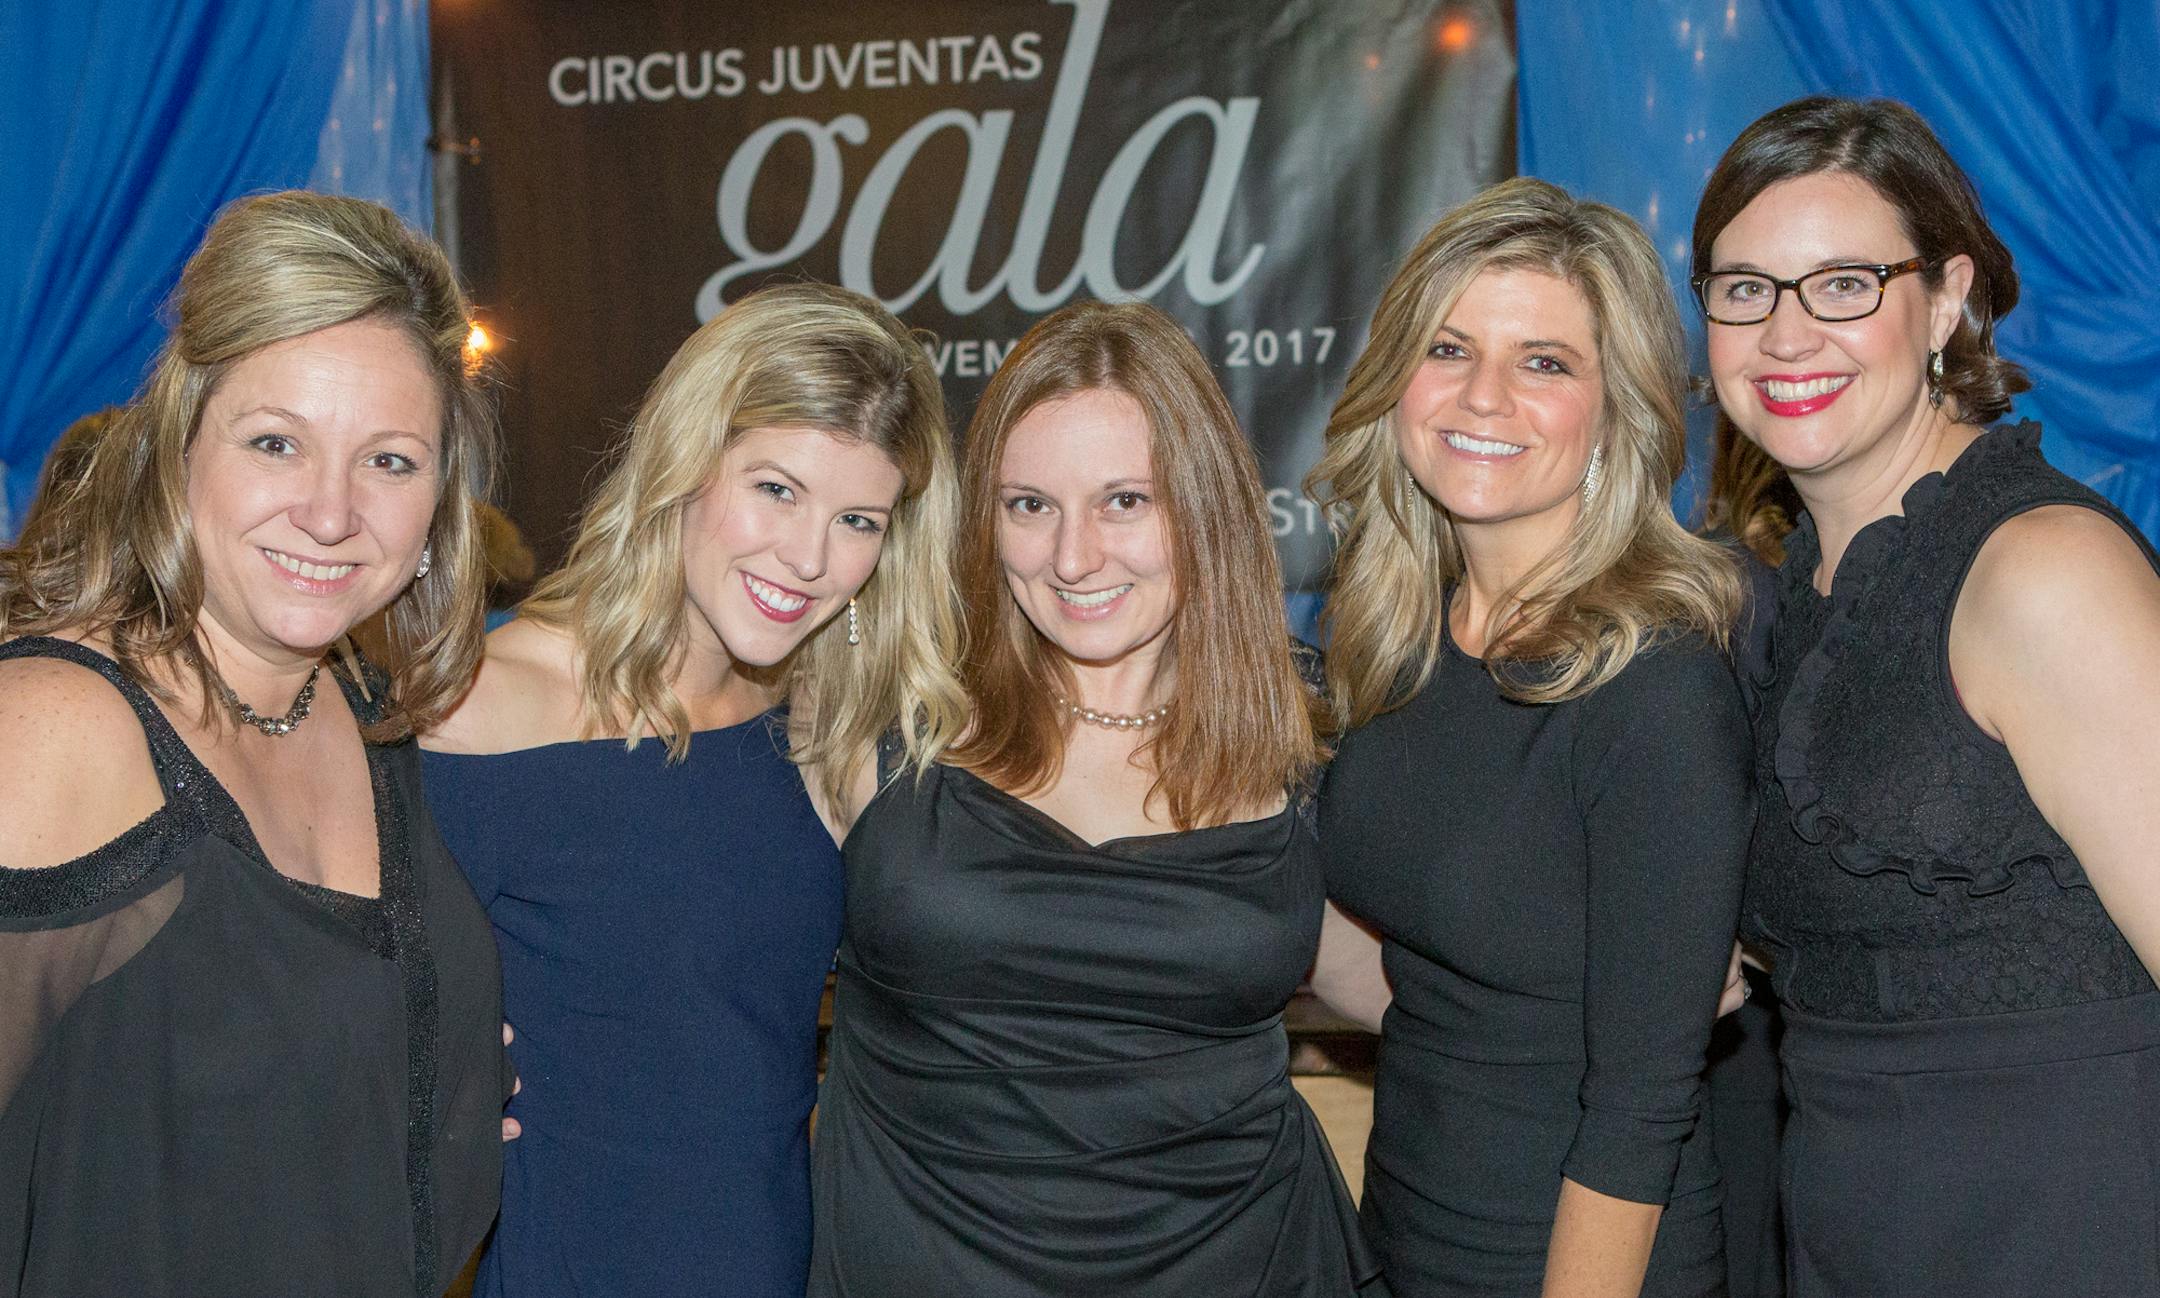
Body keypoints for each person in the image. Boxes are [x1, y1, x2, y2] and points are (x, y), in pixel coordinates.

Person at [808, 300, 1378, 1296]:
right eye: (1029, 504)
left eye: (1124, 500)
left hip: (1246, 1263)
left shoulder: (1305, 750)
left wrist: (1639, 968)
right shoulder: (878, 722)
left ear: (1206, 507)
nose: (1072, 558)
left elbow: (1423, 987)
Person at [1693, 96, 2160, 1297]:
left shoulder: (2041, 569)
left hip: (2070, 1228)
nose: (1785, 334)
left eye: (1843, 283)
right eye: (1743, 289)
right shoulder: (1804, 593)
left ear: (1946, 298)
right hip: (1862, 1229)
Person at [0, 191, 506, 1297]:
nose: (331, 514)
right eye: (276, 442)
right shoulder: (56, 729)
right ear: (178, 450)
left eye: (389, 461)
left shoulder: (371, 715)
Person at [419, 281, 963, 1298]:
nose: (809, 557)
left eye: (857, 518)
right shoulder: (487, 708)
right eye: (775, 489)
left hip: (783, 1259)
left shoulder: (819, 729)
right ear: (683, 467)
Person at [1308, 176, 1752, 1298]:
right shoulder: (1401, 638)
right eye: (1449, 347)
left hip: (1578, 1261)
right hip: (1403, 1229)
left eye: (1545, 362)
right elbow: (1430, 972)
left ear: (1619, 410)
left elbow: (1641, 1105)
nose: (1484, 396)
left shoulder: (1654, 684)